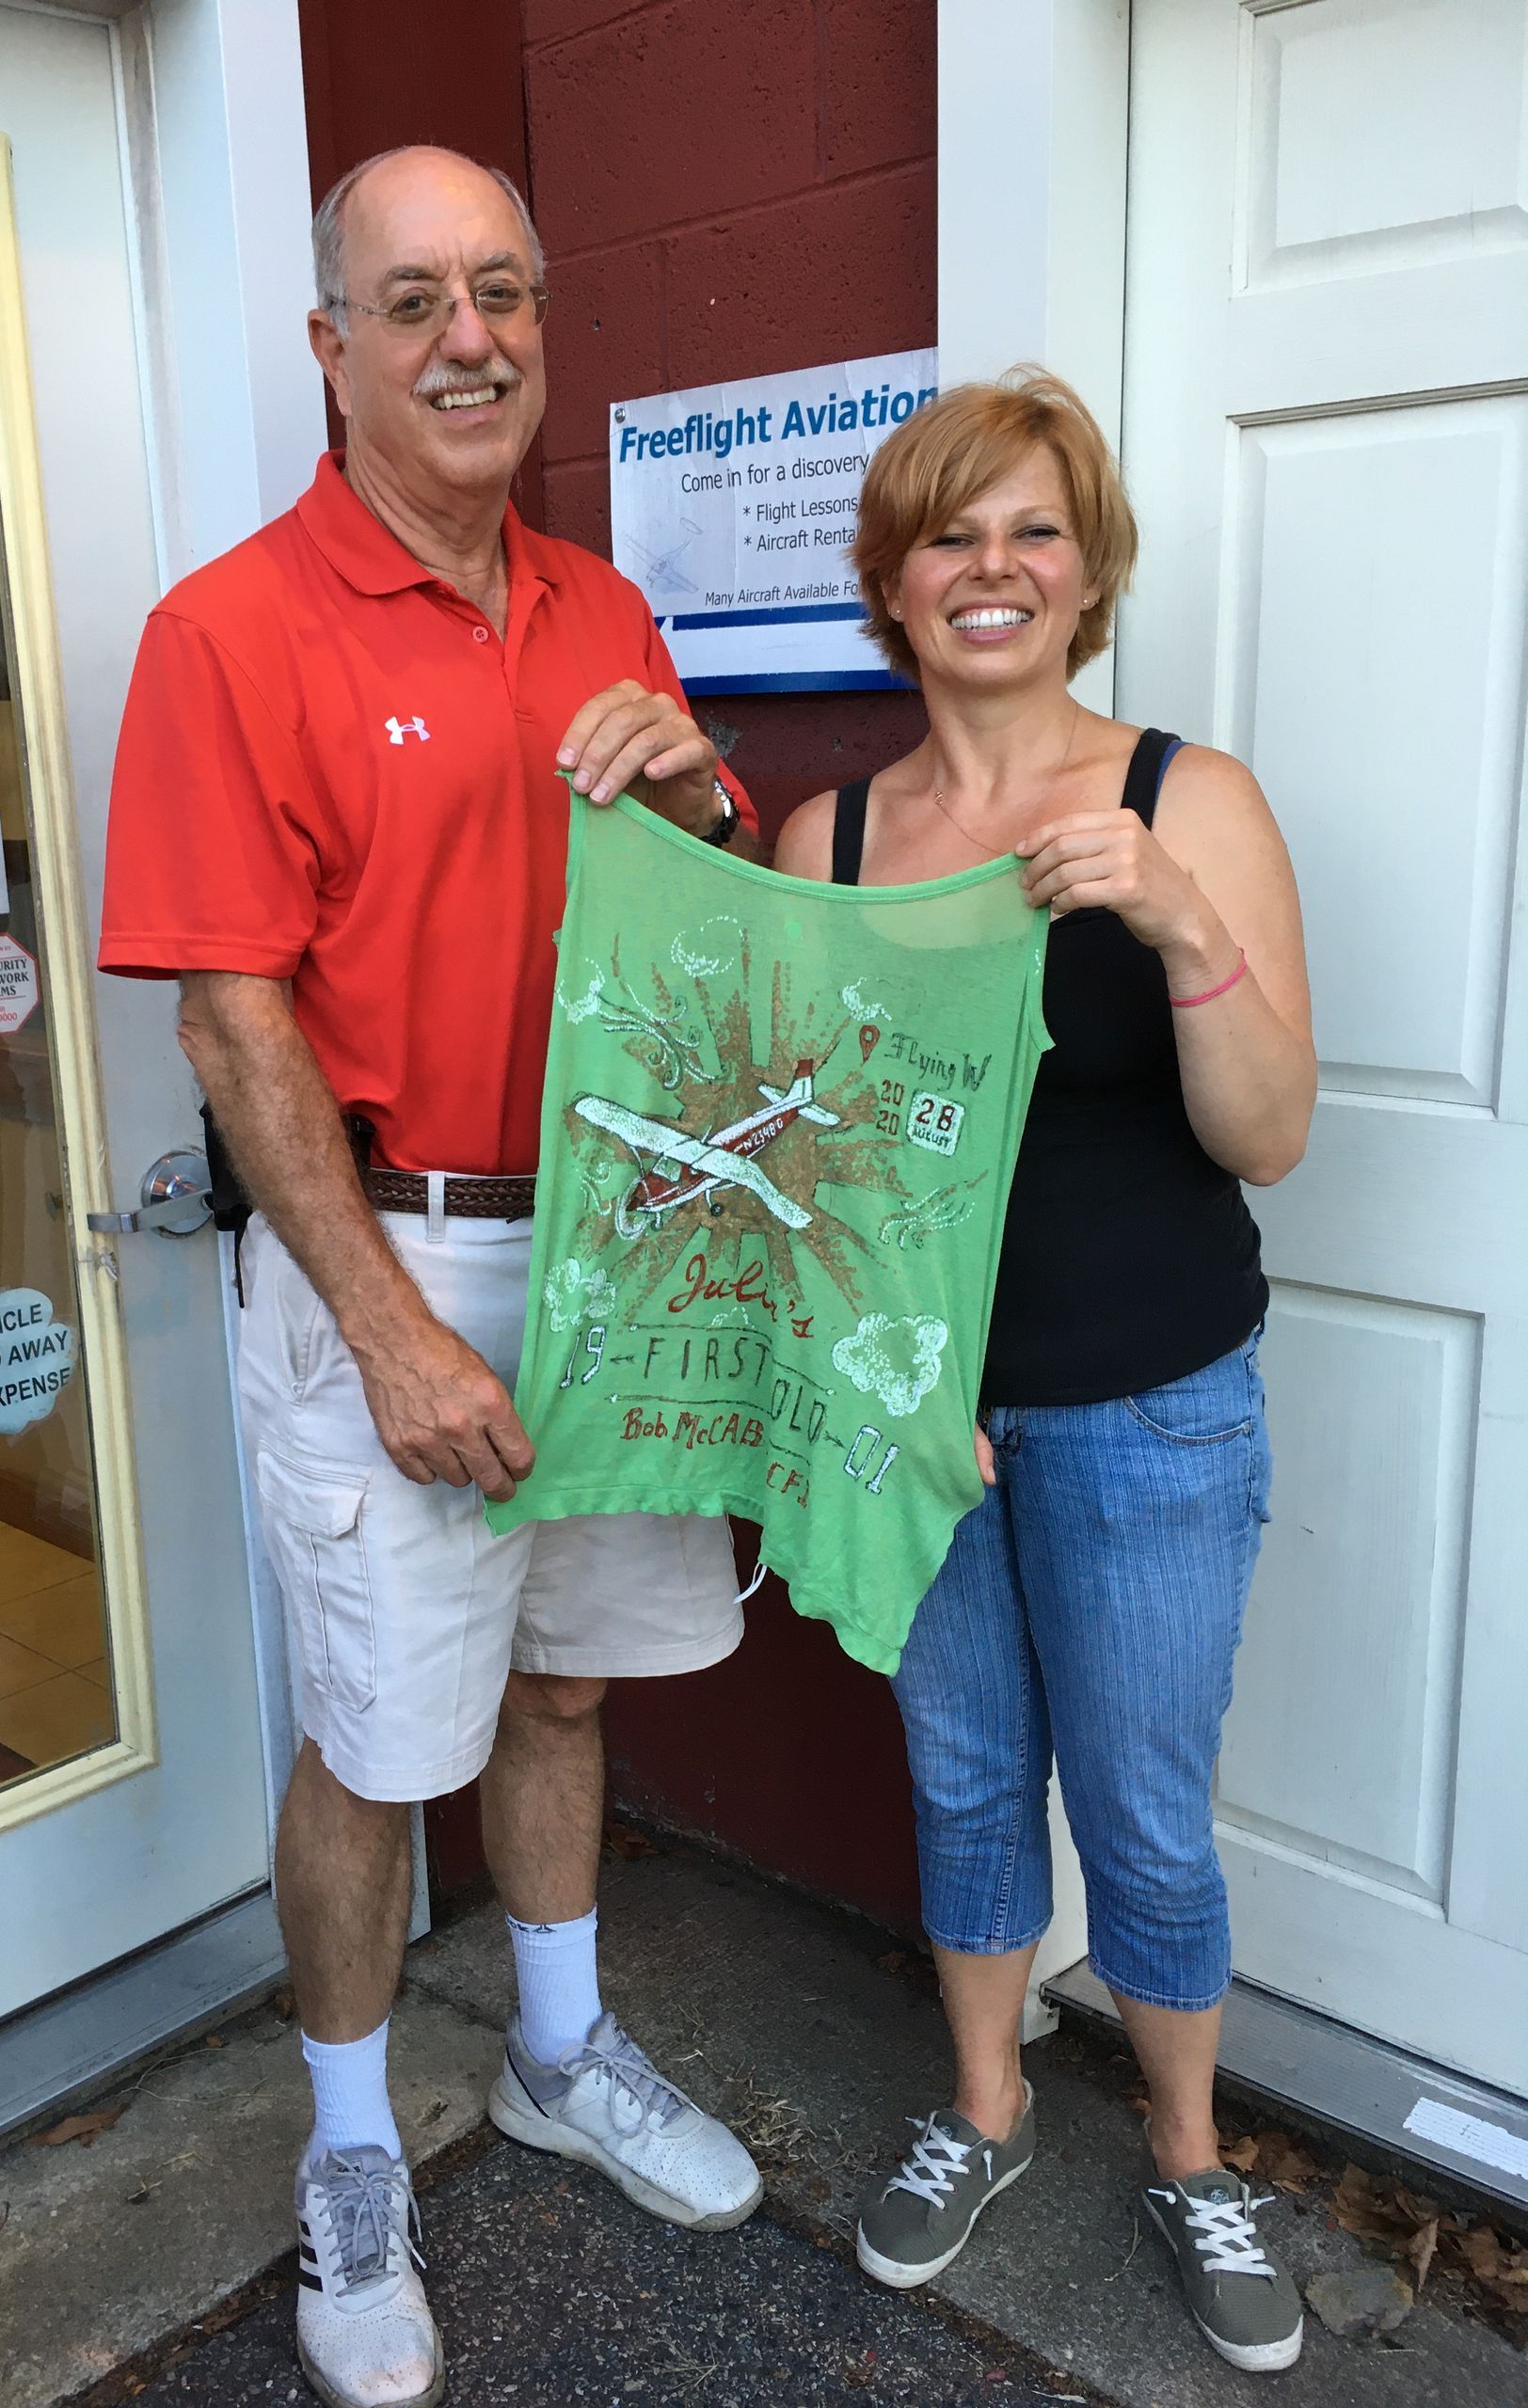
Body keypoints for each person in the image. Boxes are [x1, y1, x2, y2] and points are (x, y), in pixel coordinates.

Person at [99, 146, 763, 2408]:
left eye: (503, 291)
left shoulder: (600, 604)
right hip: (391, 1248)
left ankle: (560, 2051)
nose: (469, 338)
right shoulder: (232, 630)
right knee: (379, 1744)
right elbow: (230, 1019)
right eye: (413, 301)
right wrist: (385, 1327)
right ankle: (356, 2149)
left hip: (617, 1244)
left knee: (566, 1689)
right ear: (332, 345)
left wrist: (706, 802)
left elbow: (697, 911)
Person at [775, 371, 1315, 2376]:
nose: (990, 567)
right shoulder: (832, 837)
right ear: (893, 585)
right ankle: (988, 2108)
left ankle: (1187, 2153)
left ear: (1086, 575)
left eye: (1032, 530)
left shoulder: (1192, 799)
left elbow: (1268, 1133)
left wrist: (1175, 920)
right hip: (918, 1415)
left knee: (1147, 1811)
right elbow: (813, 1156)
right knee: (969, 1776)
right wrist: (879, 1381)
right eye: (949, 533)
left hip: (1149, 1400)